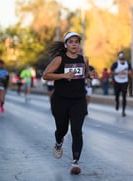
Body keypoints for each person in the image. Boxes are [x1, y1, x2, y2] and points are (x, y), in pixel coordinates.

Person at [42, 32, 90, 175]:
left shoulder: (84, 59)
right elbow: (45, 75)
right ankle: (58, 142)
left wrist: (90, 75)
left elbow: (85, 74)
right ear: (66, 45)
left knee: (76, 131)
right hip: (60, 100)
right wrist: (63, 75)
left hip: (78, 100)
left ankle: (75, 162)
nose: (74, 44)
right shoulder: (59, 59)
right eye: (71, 42)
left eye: (76, 42)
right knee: (62, 129)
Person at [110, 51, 133, 117]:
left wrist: (130, 73)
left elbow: (131, 72)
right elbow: (111, 72)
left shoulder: (127, 64)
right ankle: (117, 103)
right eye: (120, 57)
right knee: (117, 95)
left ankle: (123, 111)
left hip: (125, 82)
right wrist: (117, 73)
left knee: (124, 96)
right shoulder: (115, 64)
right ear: (118, 57)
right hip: (117, 81)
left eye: (122, 56)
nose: (122, 58)